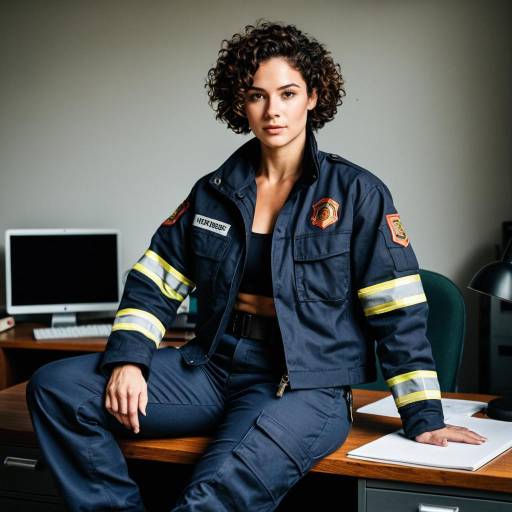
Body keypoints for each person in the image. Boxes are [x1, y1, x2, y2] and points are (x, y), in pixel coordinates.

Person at [26, 20, 486, 512]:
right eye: (256, 96)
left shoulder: (358, 194)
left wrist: (424, 417)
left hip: (305, 386)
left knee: (212, 497)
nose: (273, 111)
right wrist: (128, 360)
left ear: (312, 96)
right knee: (56, 390)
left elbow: (398, 313)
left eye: (287, 93)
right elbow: (154, 282)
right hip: (210, 369)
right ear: (239, 104)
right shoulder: (215, 191)